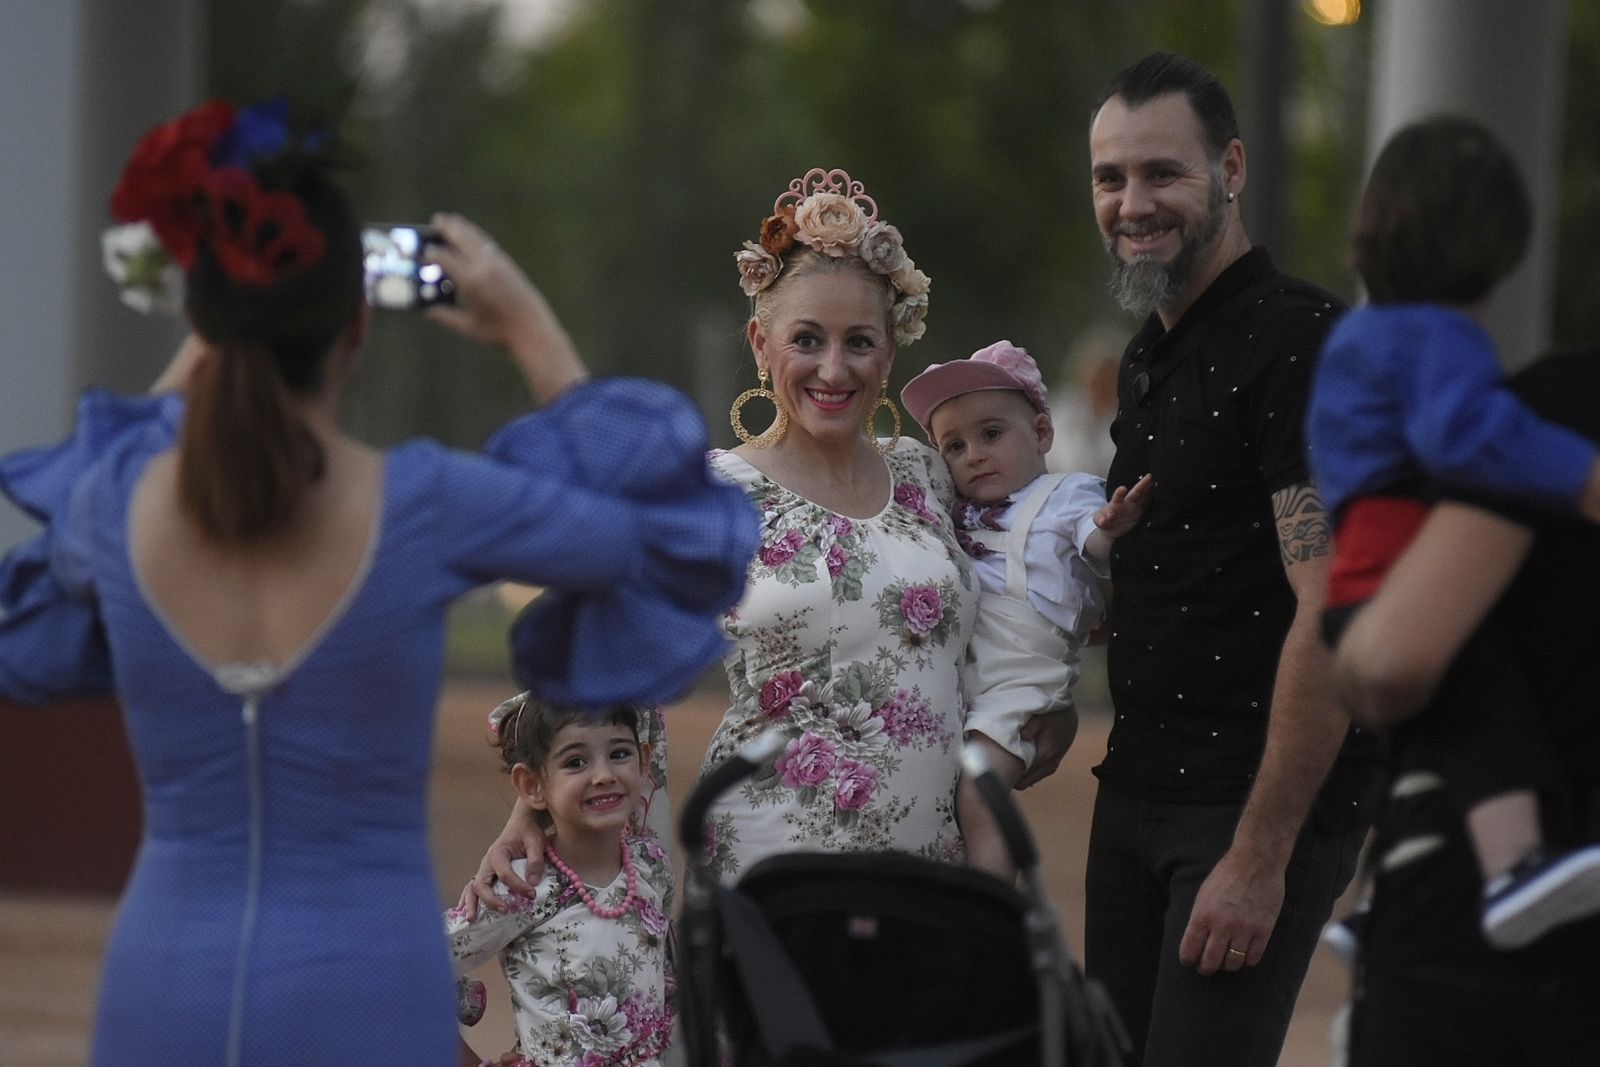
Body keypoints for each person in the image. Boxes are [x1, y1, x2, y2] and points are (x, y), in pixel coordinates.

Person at [0, 99, 756, 1064]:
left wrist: (216, 326)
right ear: (355, 329)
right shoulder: (425, 503)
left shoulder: (114, 504)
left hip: (163, 992)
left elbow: (33, 603)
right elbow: (672, 534)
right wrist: (528, 327)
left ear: (212, 321)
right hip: (367, 995)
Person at [1081, 52, 1381, 1065]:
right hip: (1137, 791)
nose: (1132, 203)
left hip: (1247, 811)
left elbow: (1333, 602)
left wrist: (1261, 857)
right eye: (1109, 178)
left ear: (1232, 169)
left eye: (1161, 173)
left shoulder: (1301, 342)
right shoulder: (1148, 355)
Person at [1307, 114, 1600, 950]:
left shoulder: (1362, 335)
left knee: (1433, 728)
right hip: (1395, 561)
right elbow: (1465, 436)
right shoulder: (1436, 337)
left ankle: (1373, 896)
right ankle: (1515, 867)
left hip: (1360, 566)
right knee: (1483, 694)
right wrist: (1580, 473)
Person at [1332, 347, 1600, 1065]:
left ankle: (1505, 860)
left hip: (1477, 956)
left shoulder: (1548, 406)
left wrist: (1355, 653)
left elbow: (1397, 659)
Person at [900, 339, 1152, 877]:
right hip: (960, 680)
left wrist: (1110, 528)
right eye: (954, 446)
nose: (974, 455)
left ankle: (990, 911)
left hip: (1020, 684)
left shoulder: (1065, 495)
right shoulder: (958, 513)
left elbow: (1094, 541)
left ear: (1041, 433)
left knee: (979, 792)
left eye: (991, 434)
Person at [446, 695, 673, 1067]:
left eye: (619, 754)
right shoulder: (520, 889)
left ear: (645, 761)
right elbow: (410, 970)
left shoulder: (650, 864)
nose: (604, 775)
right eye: (576, 762)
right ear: (531, 784)